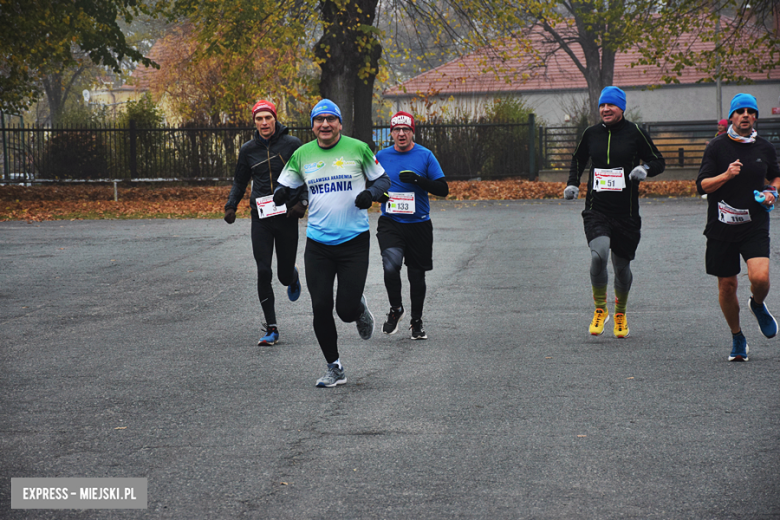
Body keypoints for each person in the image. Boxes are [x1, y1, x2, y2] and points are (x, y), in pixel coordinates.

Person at [274, 99, 391, 387]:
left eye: (330, 119)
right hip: (318, 244)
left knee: (345, 309)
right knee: (321, 306)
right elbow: (285, 183)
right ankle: (334, 367)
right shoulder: (302, 155)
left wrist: (371, 194)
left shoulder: (358, 149)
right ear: (313, 125)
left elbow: (383, 180)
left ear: (339, 123)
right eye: (319, 120)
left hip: (353, 242)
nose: (324, 125)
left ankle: (359, 309)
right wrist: (279, 193)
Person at [564, 86, 665, 338]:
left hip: (626, 214)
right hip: (597, 209)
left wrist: (646, 169)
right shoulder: (591, 133)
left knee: (621, 267)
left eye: (611, 105)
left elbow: (658, 160)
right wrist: (573, 183)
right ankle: (601, 309)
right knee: (598, 255)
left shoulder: (635, 133)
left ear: (622, 108)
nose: (605, 109)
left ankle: (620, 313)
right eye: (602, 106)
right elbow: (578, 158)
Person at [696, 92, 780, 361]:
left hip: (754, 224)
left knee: (760, 279)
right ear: (732, 117)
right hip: (721, 227)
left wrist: (772, 193)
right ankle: (737, 337)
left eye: (750, 111)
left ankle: (757, 305)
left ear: (755, 117)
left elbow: (776, 176)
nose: (746, 115)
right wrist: (726, 174)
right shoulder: (717, 147)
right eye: (740, 111)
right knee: (727, 287)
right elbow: (702, 186)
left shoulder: (764, 148)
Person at [223, 100, 306, 346]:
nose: (263, 123)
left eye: (267, 117)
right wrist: (231, 205)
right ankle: (271, 327)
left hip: (286, 216)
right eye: (258, 119)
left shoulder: (292, 145)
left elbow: (305, 176)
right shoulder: (248, 150)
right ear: (254, 122)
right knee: (263, 271)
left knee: (282, 275)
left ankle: (292, 276)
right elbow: (240, 180)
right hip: (261, 217)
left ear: (274, 118)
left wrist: (301, 202)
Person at [374, 111, 448, 339]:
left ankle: (416, 321)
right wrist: (380, 196)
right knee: (390, 265)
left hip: (419, 225)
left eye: (406, 129)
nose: (401, 133)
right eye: (397, 129)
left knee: (416, 276)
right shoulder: (382, 156)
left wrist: (418, 180)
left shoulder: (425, 155)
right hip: (391, 222)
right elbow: (371, 186)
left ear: (412, 132)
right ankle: (396, 309)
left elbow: (443, 190)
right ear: (391, 133)